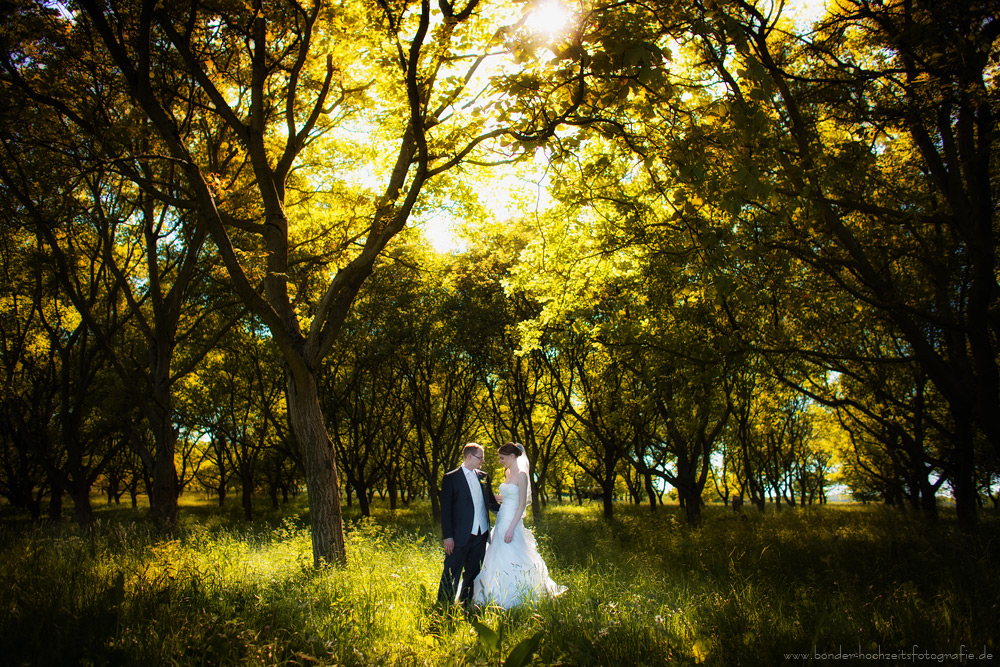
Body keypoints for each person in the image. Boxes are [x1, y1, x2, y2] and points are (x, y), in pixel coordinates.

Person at [473, 442, 566, 608]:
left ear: (512, 456)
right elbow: (506, 496)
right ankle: (492, 592)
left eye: (502, 458)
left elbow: (521, 504)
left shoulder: (522, 475)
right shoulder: (508, 472)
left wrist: (511, 529)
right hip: (501, 519)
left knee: (514, 555)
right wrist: (484, 493)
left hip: (512, 522)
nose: (500, 461)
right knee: (496, 556)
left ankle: (516, 596)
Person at [437, 442, 502, 608]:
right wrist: (448, 537)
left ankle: (466, 605)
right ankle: (443, 606)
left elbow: (491, 503)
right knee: (451, 572)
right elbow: (446, 510)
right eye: (480, 458)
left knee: (473, 572)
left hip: (481, 534)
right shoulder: (450, 478)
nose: (482, 461)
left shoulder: (483, 477)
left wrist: (509, 511)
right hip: (459, 535)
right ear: (469, 456)